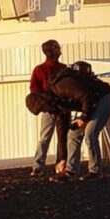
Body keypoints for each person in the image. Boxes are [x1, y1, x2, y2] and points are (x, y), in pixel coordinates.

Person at [48, 61, 110, 180]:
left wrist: (84, 118)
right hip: (95, 102)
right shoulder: (66, 86)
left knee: (90, 134)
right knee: (73, 134)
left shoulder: (65, 86)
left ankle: (95, 171)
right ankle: (70, 171)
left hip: (105, 98)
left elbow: (87, 98)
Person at [29, 40, 68, 176]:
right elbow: (35, 89)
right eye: (56, 47)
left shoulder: (56, 68)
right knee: (51, 137)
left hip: (57, 107)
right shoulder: (44, 69)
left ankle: (48, 165)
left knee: (55, 137)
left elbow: (34, 90)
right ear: (50, 51)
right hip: (52, 108)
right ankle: (41, 165)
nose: (59, 49)